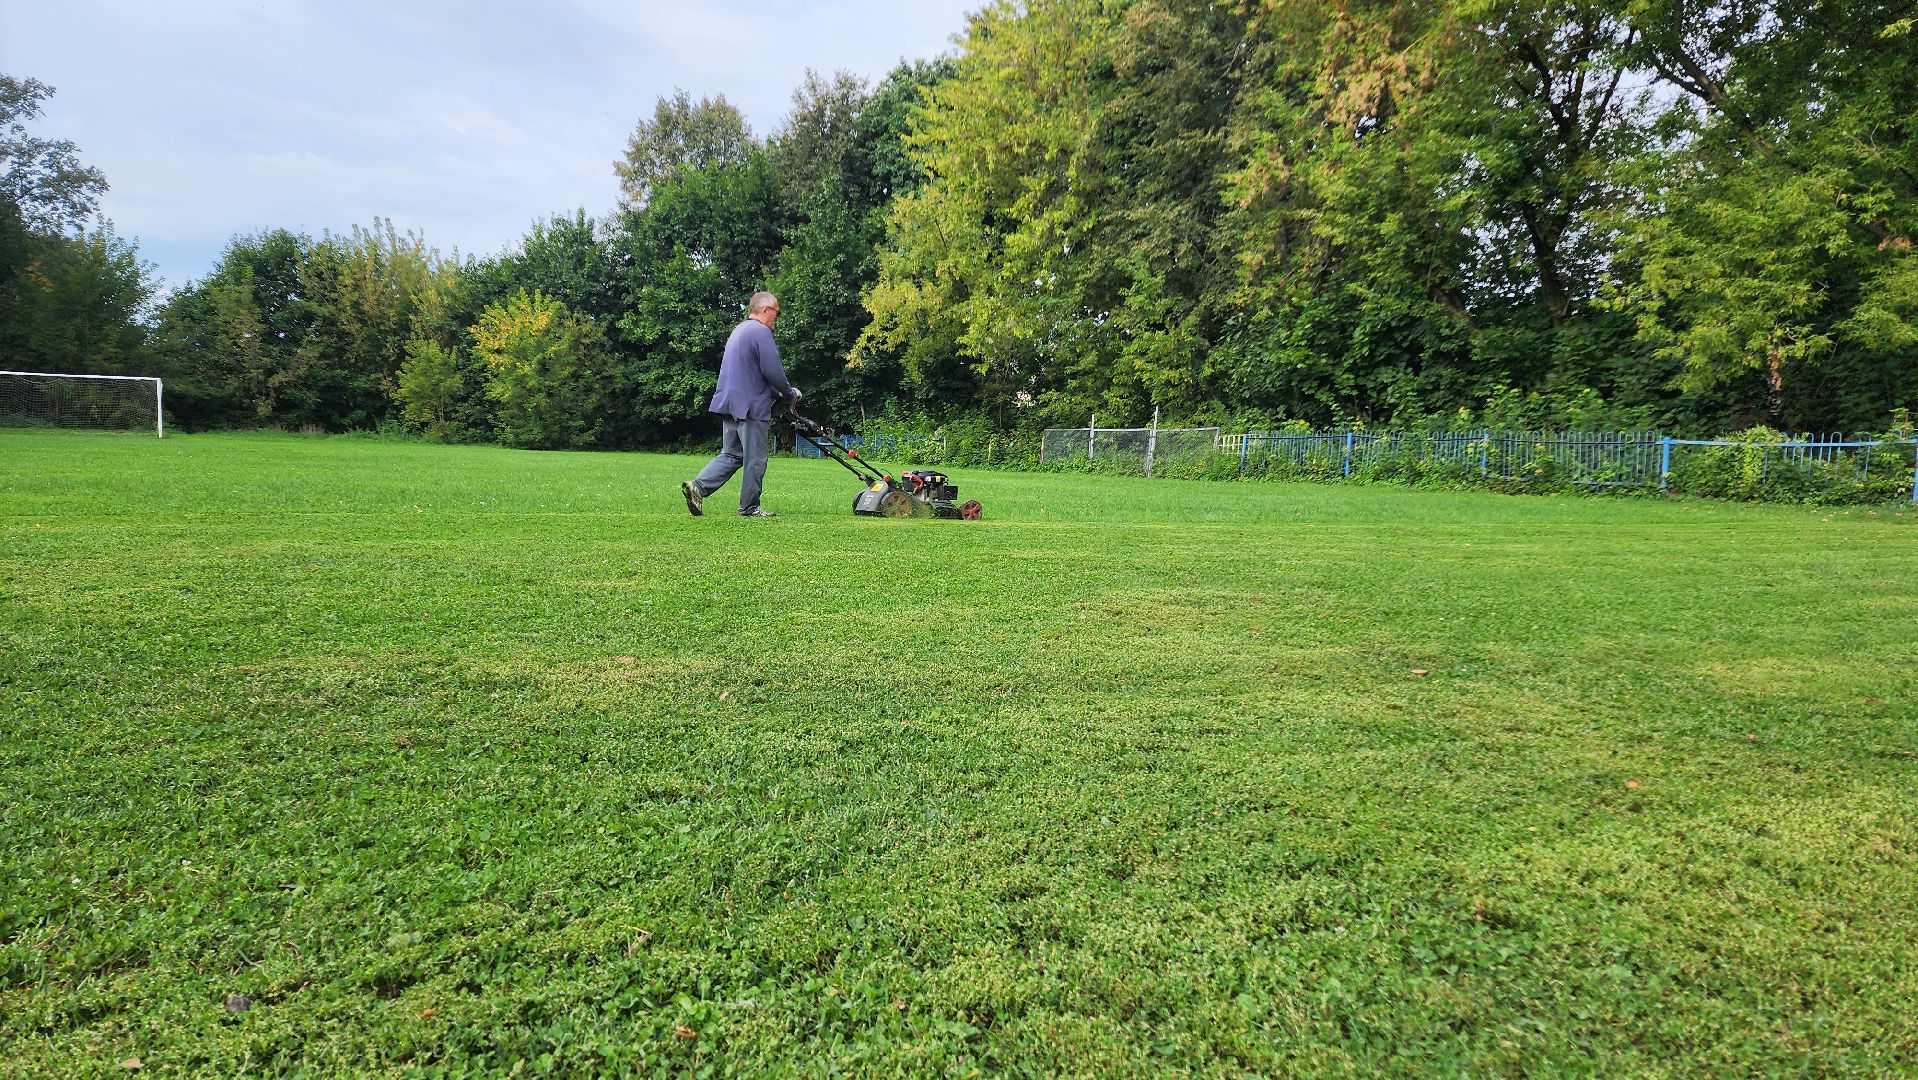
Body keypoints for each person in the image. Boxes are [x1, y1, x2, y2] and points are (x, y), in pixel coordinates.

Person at [681, 291, 798, 518]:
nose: (777, 317)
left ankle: (698, 487)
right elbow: (772, 371)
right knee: (755, 458)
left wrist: (779, 394)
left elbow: (752, 373)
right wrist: (789, 392)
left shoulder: (738, 331)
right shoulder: (760, 332)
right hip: (751, 406)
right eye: (777, 312)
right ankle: (749, 507)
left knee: (732, 455)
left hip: (731, 404)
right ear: (765, 310)